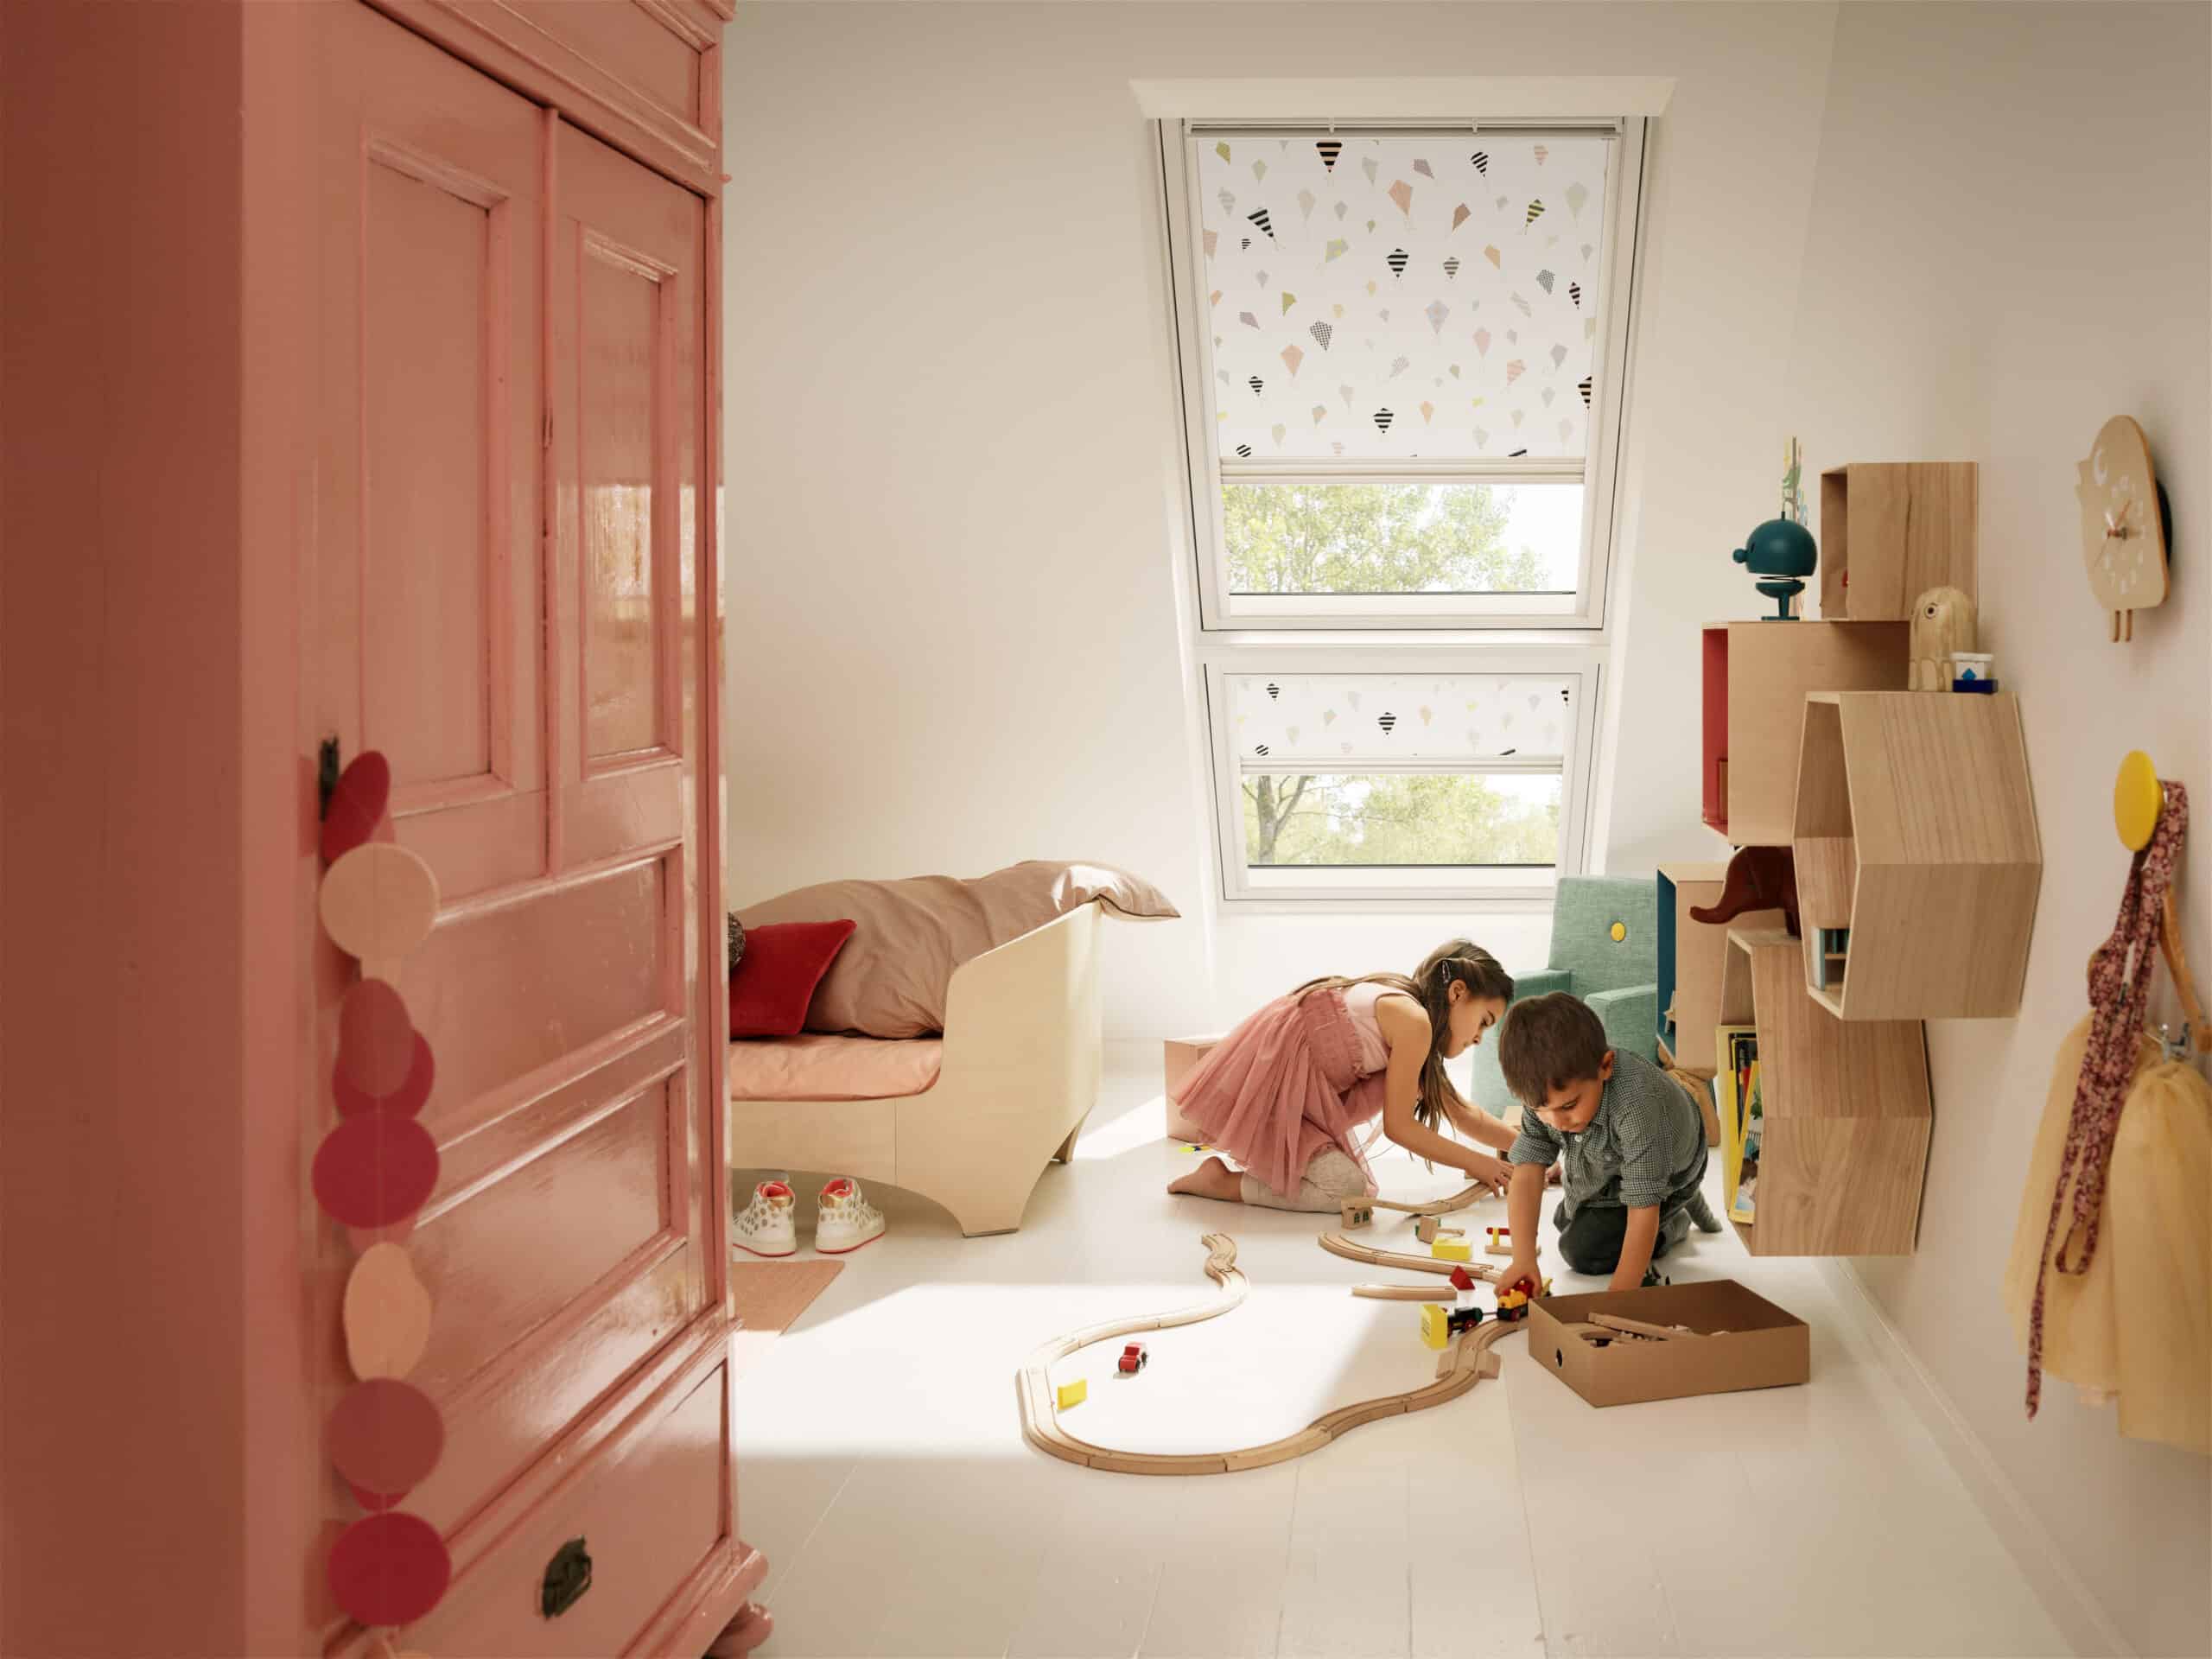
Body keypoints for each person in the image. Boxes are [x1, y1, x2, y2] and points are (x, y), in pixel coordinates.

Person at [1166, 941, 1520, 1211]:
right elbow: (1400, 1127)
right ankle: (1223, 1184)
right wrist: (1479, 1163)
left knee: (1346, 1184)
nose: (1478, 1038)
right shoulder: (1412, 1021)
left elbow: (1461, 1112)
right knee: (1346, 1190)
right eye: (1484, 1022)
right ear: (1457, 992)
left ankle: (1259, 1173)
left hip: (1301, 1099)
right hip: (1277, 1095)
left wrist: (1527, 1150)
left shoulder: (1411, 1017)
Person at [1494, 991, 1721, 1292]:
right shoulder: (1543, 1088)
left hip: (1675, 1161)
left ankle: (1673, 1220)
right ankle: (1652, 1198)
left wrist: (1618, 1298)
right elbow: (1527, 1171)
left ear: (1606, 1066)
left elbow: (1642, 1208)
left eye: (1568, 1106)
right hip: (1612, 1156)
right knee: (1566, 1222)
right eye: (1542, 1111)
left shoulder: (1638, 1106)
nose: (1558, 1123)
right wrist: (1522, 1259)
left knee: (1582, 1251)